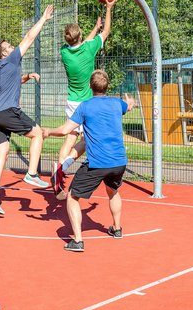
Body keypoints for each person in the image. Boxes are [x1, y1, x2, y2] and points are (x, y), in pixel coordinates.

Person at [43, 70, 134, 252]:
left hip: (98, 163)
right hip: (118, 162)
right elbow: (128, 107)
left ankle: (77, 240)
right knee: (113, 191)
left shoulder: (85, 106)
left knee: (72, 197)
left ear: (90, 87)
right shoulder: (117, 104)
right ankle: (117, 229)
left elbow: (64, 130)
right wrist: (130, 103)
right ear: (108, 86)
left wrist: (48, 131)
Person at [0, 4, 54, 215]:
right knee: (38, 134)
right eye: (10, 46)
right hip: (6, 111)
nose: (14, 47)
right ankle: (32, 173)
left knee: (2, 154)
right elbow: (29, 38)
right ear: (4, 53)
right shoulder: (11, 58)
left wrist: (26, 77)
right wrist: (43, 18)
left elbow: (9, 84)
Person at [52, 0, 116, 201]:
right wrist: (108, 9)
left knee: (70, 139)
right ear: (80, 37)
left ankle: (59, 173)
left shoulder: (65, 52)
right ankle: (66, 166)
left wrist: (93, 31)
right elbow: (106, 32)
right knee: (86, 142)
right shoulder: (89, 49)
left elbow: (80, 44)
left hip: (72, 101)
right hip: (87, 103)